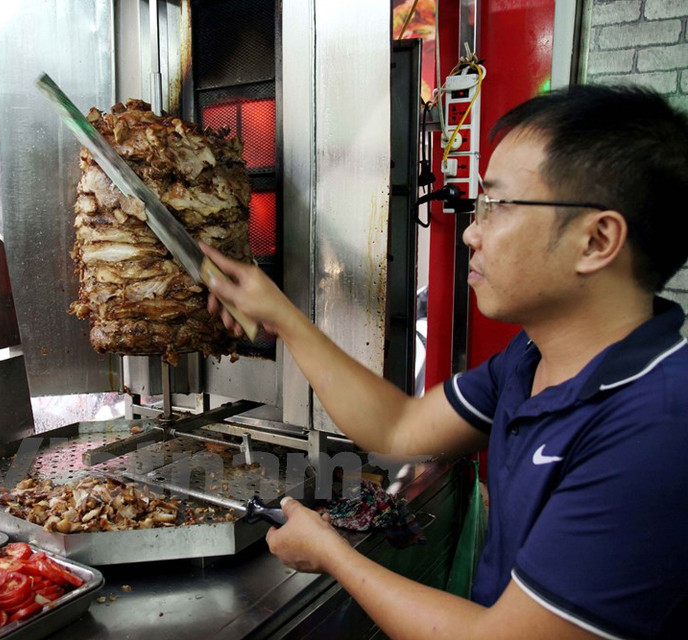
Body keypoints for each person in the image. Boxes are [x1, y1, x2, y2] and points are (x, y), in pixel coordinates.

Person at [203, 84, 688, 639]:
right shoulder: (529, 359)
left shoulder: (658, 427)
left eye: (498, 205)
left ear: (597, 239)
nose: (472, 233)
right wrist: (284, 318)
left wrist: (333, 553)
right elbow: (399, 426)